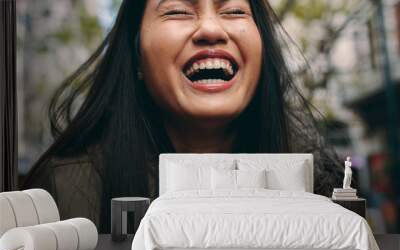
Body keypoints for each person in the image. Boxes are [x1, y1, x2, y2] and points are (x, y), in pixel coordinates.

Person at [23, 0, 342, 233]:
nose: (211, 29)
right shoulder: (62, 196)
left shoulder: (320, 184)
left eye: (233, 10)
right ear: (136, 54)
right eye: (177, 10)